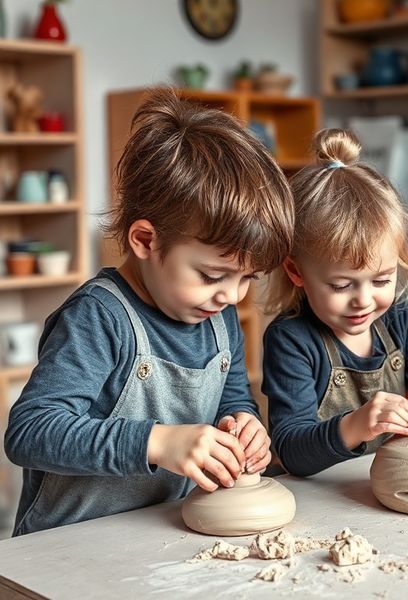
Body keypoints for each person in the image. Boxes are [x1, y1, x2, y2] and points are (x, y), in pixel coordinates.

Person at [4, 89, 294, 536]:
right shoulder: (98, 317)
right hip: (68, 544)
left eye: (247, 278)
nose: (232, 297)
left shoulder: (219, 316)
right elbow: (31, 432)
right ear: (145, 241)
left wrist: (244, 424)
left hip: (158, 532)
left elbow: (231, 397)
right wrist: (158, 441)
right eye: (213, 275)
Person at [262, 129, 408, 478]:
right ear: (295, 271)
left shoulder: (398, 319)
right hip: (322, 497)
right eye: (341, 285)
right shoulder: (291, 340)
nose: (363, 300)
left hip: (386, 485)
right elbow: (291, 450)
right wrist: (354, 426)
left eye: (381, 280)